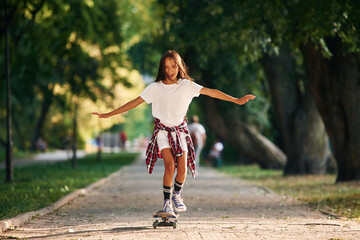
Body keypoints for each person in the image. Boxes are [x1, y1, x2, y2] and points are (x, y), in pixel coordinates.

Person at [92, 50, 256, 215]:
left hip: (180, 132)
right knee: (170, 165)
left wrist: (236, 100)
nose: (170, 71)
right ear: (162, 69)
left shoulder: (187, 86)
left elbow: (211, 91)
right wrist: (108, 114)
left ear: (179, 67)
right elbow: (134, 102)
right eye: (166, 67)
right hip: (162, 132)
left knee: (182, 169)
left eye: (173, 66)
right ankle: (166, 203)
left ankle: (176, 195)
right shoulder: (155, 88)